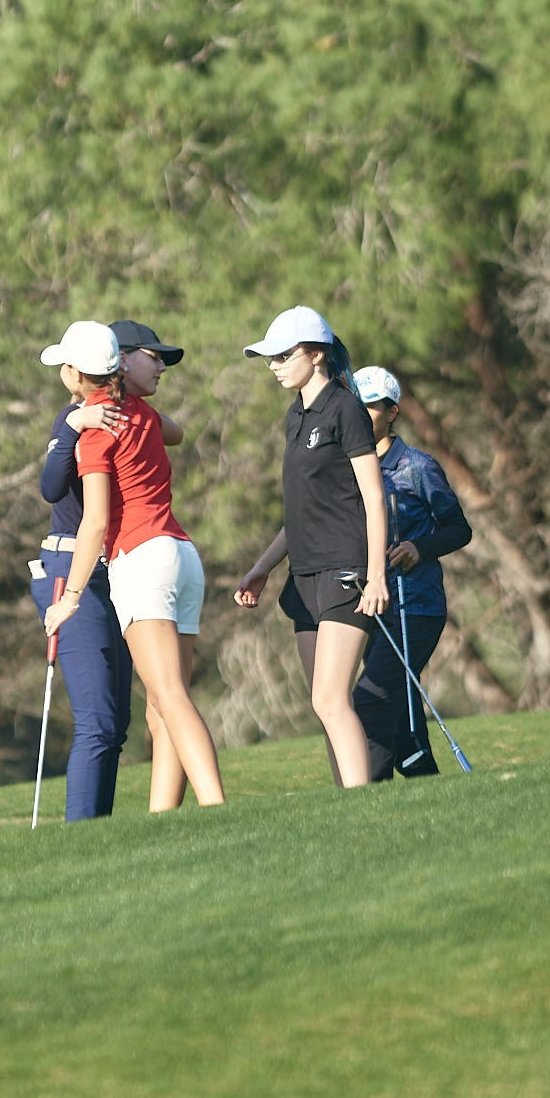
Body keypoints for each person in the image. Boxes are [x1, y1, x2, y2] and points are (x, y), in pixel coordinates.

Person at [43, 320, 225, 810]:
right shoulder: (140, 410)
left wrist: (71, 598)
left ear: (77, 375)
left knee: (168, 697)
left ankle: (217, 808)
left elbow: (95, 522)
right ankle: (163, 816)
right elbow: (177, 433)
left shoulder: (95, 432)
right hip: (181, 554)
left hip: (142, 558)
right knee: (165, 705)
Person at [232, 305, 388, 789]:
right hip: (303, 577)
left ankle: (363, 805)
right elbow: (301, 510)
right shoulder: (295, 416)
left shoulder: (345, 409)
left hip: (345, 569)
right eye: (269, 358)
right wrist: (262, 568)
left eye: (283, 355)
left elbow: (373, 496)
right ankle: (349, 801)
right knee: (322, 703)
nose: (275, 365)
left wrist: (377, 574)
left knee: (330, 698)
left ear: (316, 354)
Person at [350, 366, 472, 781]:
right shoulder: (349, 467)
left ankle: (372, 796)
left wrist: (420, 547)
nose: (361, 413)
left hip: (415, 606)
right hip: (374, 608)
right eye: (356, 405)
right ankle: (425, 784)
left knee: (370, 699)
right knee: (401, 712)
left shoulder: (417, 466)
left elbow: (459, 528)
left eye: (370, 406)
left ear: (392, 411)